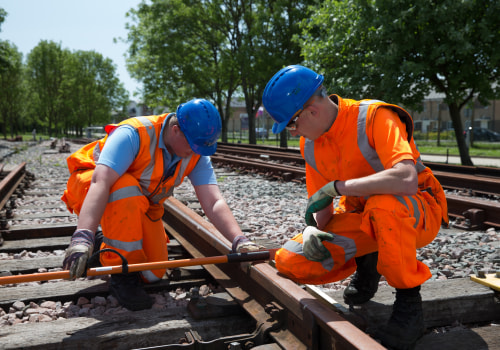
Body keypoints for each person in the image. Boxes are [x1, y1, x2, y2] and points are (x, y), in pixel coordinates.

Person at [262, 65, 448, 349]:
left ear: (310, 111)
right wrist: (311, 229)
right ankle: (368, 263)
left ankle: (409, 304)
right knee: (290, 260)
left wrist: (340, 187)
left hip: (416, 210)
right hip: (365, 218)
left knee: (383, 206)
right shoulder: (310, 145)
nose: (292, 131)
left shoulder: (375, 117)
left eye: (291, 124)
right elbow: (321, 206)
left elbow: (406, 180)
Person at [61, 98, 262, 311]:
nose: (196, 151)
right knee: (125, 187)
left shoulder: (195, 151)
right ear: (175, 130)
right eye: (194, 145)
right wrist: (83, 236)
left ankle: (105, 247)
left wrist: (239, 240)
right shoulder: (134, 134)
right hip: (93, 186)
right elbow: (101, 182)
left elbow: (213, 201)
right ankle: (122, 274)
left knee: (153, 272)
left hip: (138, 204)